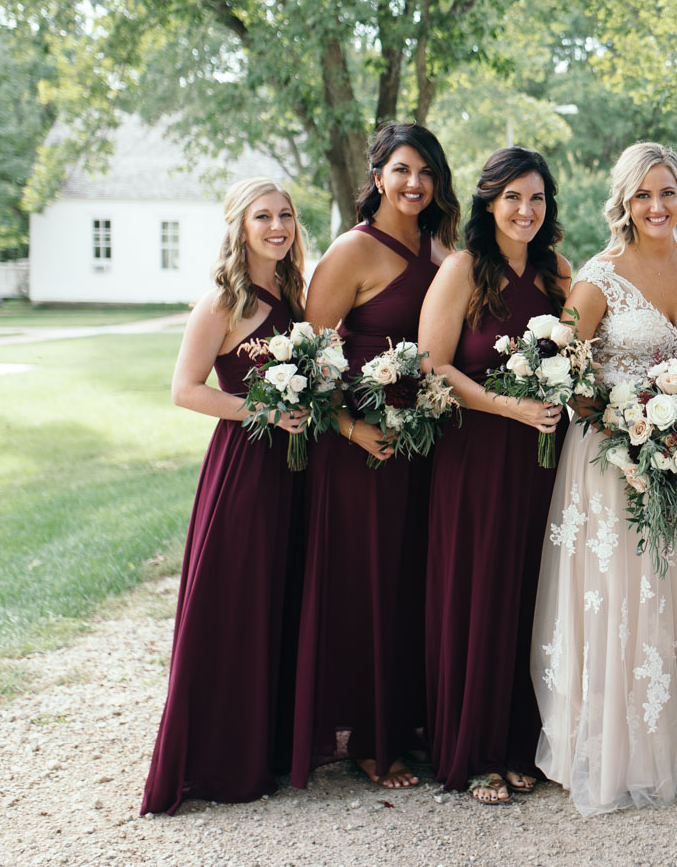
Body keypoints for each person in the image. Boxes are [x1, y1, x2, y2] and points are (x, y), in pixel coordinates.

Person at [530, 141, 677, 815]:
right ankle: (617, 748)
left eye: (667, 191)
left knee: (675, 584)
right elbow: (563, 370)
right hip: (612, 458)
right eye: (643, 194)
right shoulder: (598, 277)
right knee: (621, 588)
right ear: (624, 201)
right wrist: (625, 427)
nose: (656, 206)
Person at [290, 123, 461, 790]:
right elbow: (307, 361)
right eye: (401, 170)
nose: (414, 183)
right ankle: (368, 739)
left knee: (413, 584)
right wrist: (353, 430)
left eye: (426, 172)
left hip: (425, 443)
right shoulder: (352, 252)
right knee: (367, 587)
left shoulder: (440, 247)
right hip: (360, 447)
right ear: (378, 176)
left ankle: (409, 722)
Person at [142, 178, 308, 815]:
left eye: (285, 215)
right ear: (240, 226)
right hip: (244, 468)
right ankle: (218, 757)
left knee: (281, 597)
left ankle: (270, 744)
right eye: (262, 216)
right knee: (235, 603)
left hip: (296, 469)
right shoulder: (223, 300)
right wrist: (260, 411)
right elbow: (185, 389)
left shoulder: (294, 291)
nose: (276, 227)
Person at [418, 147, 571, 804]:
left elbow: (579, 354)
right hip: (476, 453)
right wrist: (509, 405)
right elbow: (432, 365)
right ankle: (473, 749)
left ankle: (517, 743)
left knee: (528, 594)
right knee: (478, 591)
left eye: (536, 198)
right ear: (487, 201)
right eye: (512, 197)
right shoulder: (462, 269)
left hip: (541, 460)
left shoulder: (558, 273)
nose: (525, 210)